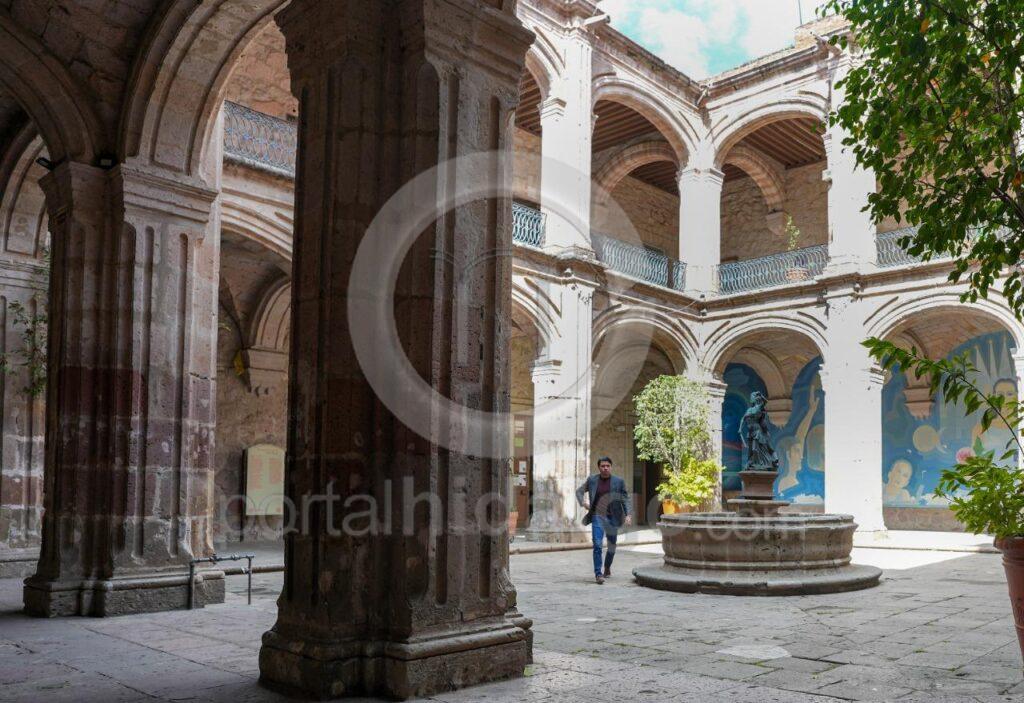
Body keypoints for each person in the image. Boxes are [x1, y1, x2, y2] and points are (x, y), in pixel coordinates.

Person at [575, 456, 631, 584]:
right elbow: (579, 491)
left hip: (613, 517)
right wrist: (583, 503)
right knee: (597, 544)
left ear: (611, 467)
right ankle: (598, 574)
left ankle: (607, 567)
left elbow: (624, 499)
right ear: (599, 467)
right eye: (602, 466)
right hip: (597, 516)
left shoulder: (619, 481)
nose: (605, 468)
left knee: (612, 546)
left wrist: (628, 514)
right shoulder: (592, 480)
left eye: (607, 466)